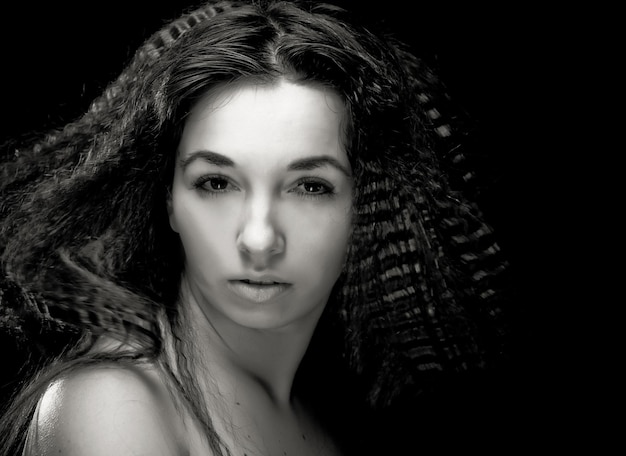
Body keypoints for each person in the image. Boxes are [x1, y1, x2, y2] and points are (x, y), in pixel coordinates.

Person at [0, 0, 512, 454]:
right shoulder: (114, 405)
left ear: (369, 207)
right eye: (217, 183)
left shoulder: (345, 406)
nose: (260, 238)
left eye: (310, 186)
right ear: (169, 201)